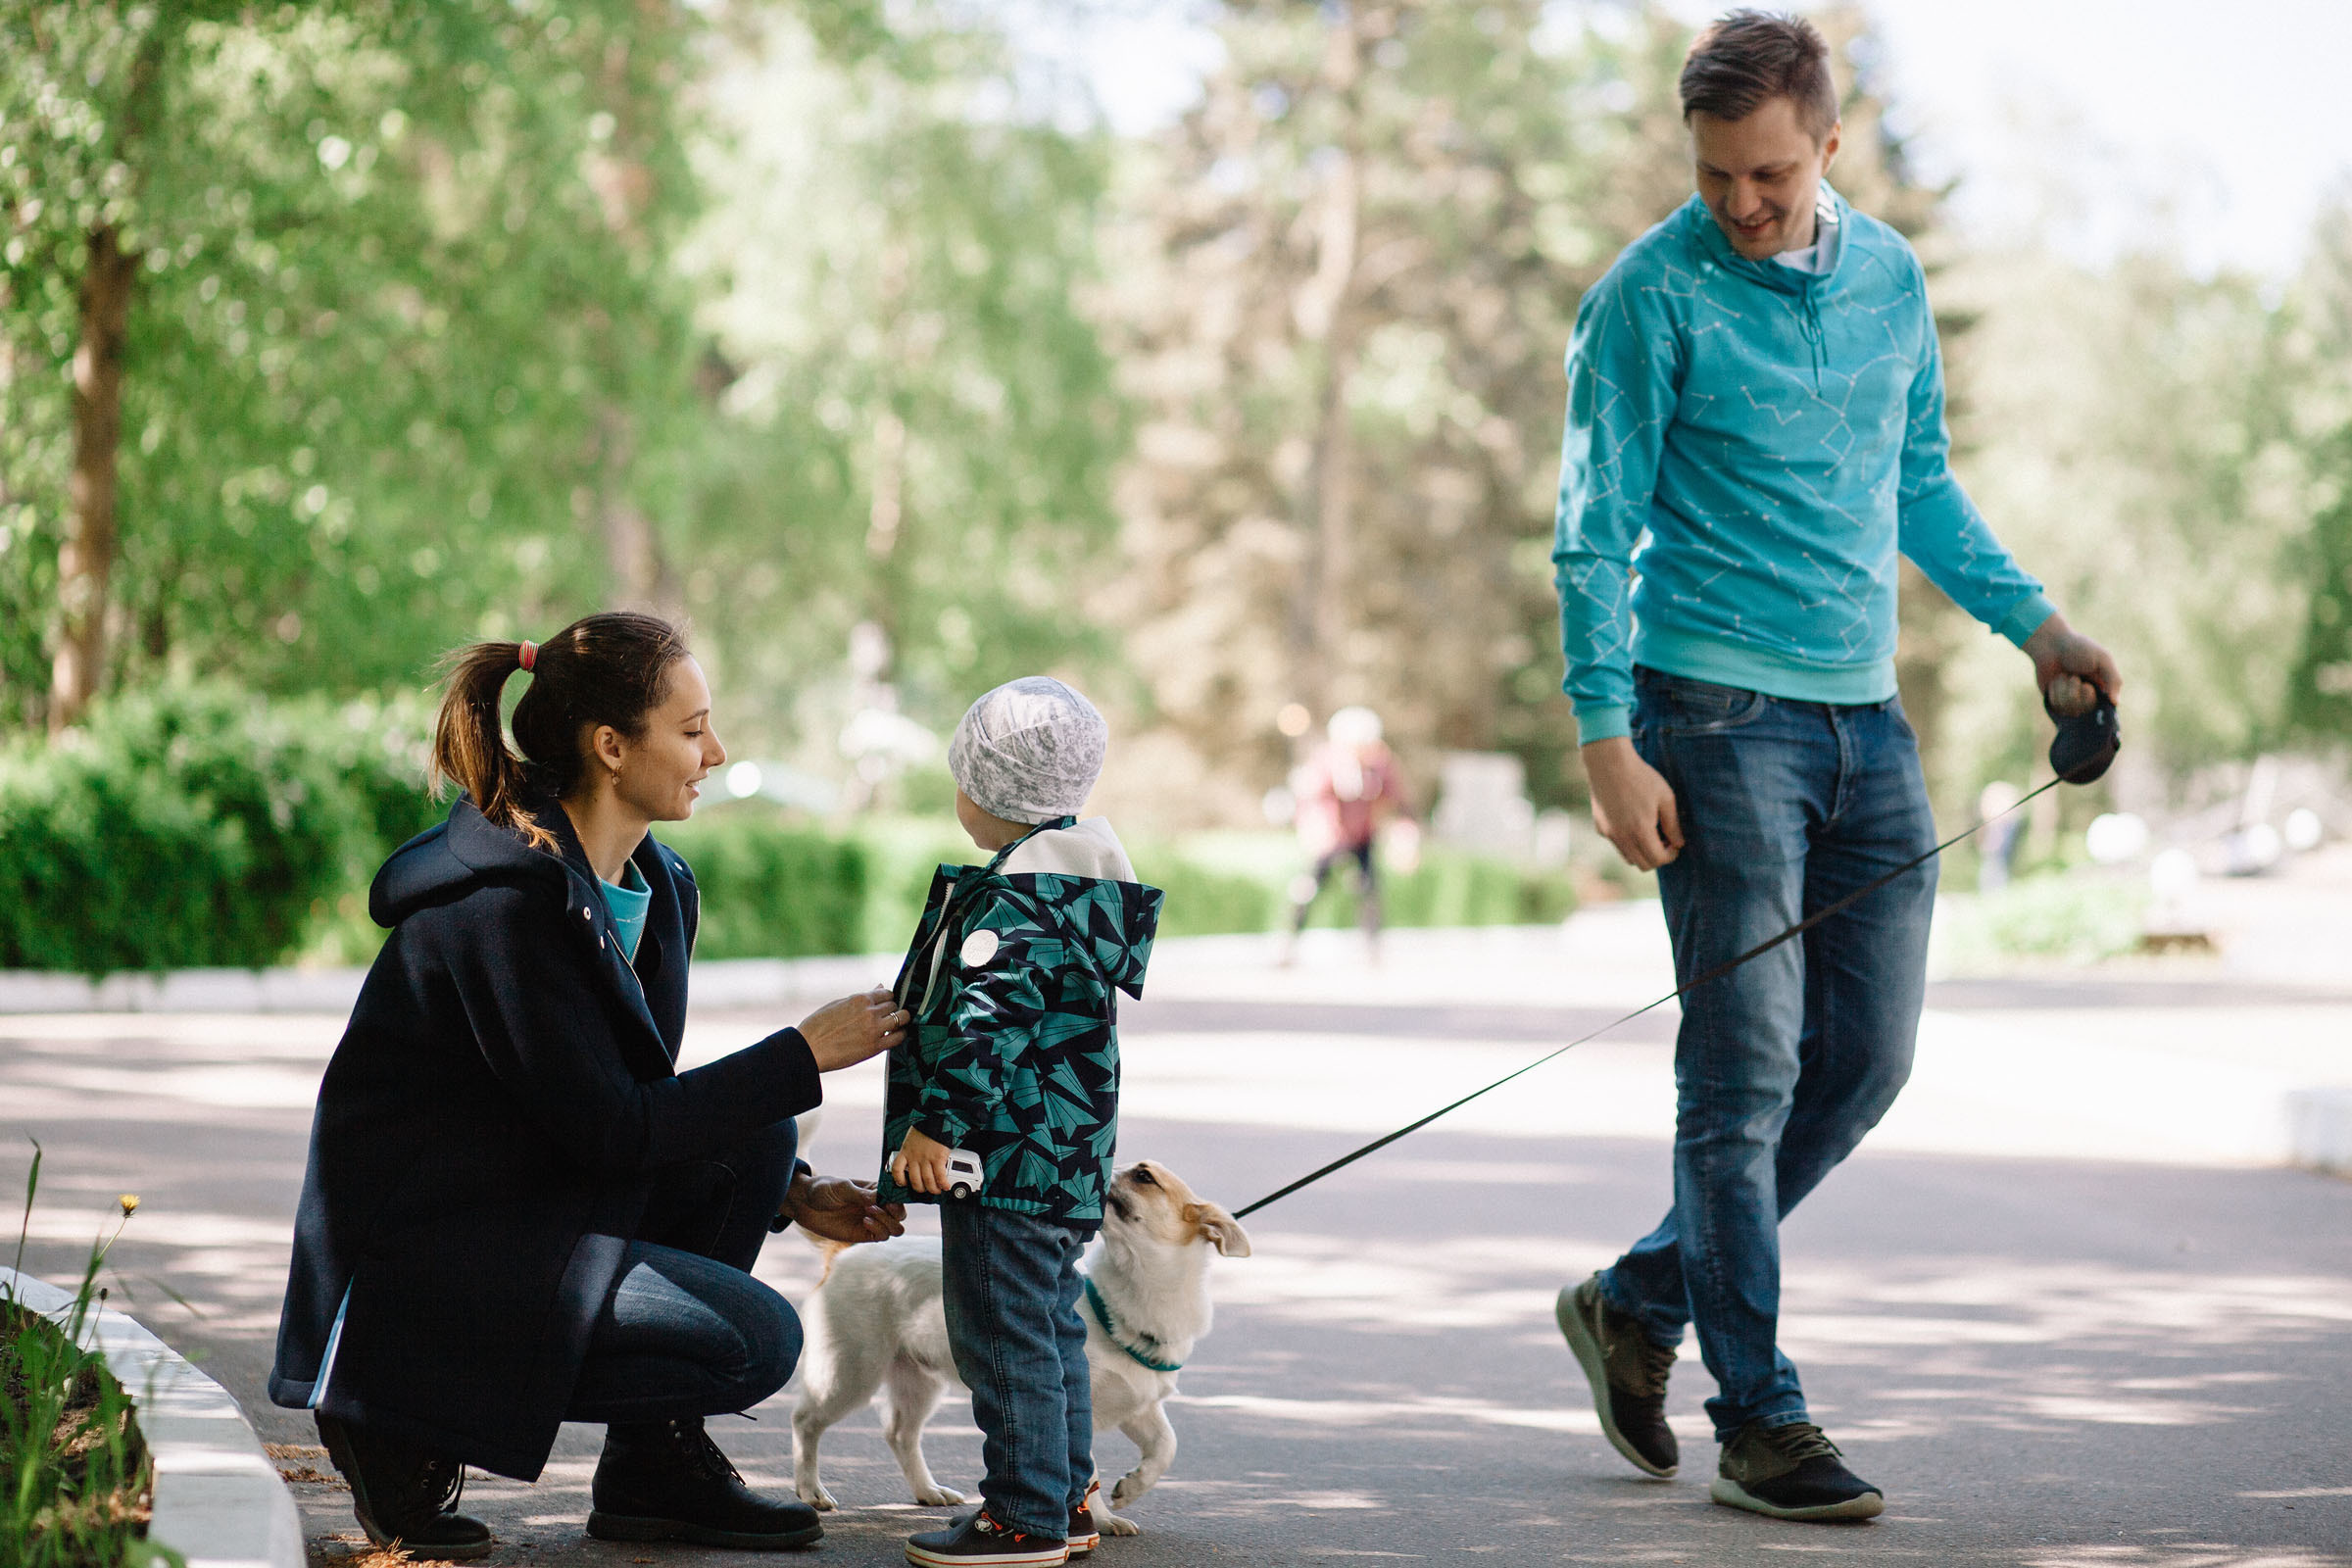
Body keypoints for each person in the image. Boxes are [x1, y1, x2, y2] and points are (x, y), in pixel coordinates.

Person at [1548, 11, 2123, 1524]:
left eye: (1771, 177)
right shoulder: (1648, 299)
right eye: (1718, 176)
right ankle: (1762, 1417)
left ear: (1830, 145)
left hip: (1865, 724)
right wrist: (1605, 736)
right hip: (1710, 719)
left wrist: (2036, 624)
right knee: (1738, 1079)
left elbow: (1916, 478)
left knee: (1865, 1060)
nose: (1742, 204)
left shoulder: (1888, 278)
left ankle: (1638, 1299)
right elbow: (1592, 530)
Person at [270, 611, 912, 1558]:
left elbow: (613, 1103)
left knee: (760, 1143)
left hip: (526, 1204)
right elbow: (611, 1131)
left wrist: (792, 1196)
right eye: (691, 731)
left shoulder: (659, 885)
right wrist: (801, 1054)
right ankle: (390, 1422)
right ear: (610, 746)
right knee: (757, 1340)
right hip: (426, 1259)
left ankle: (653, 1471)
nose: (718, 751)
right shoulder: (494, 908)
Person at [879, 676, 1162, 1568]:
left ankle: (1022, 1516)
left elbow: (986, 1025)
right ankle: (1066, 1497)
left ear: (991, 790)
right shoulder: (1074, 894)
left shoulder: (1016, 901)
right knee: (1048, 1330)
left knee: (1000, 1337)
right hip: (1061, 1164)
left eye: (964, 775)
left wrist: (936, 1127)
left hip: (1001, 1163)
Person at [1282, 706, 1418, 962]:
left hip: (1362, 836)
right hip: (1329, 838)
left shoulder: (1380, 763)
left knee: (1369, 889)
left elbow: (1400, 801)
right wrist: (1316, 830)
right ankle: (1289, 945)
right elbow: (1309, 799)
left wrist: (1406, 835)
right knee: (1308, 889)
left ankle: (1372, 950)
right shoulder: (1325, 761)